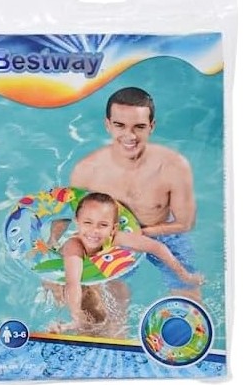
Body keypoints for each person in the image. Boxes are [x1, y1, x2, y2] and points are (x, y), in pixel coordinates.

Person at [64, 86, 202, 302]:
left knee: (189, 295)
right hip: (110, 239)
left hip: (163, 233)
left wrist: (142, 235)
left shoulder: (174, 166)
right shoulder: (86, 171)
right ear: (108, 124)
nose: (130, 136)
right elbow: (79, 220)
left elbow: (185, 223)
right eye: (120, 125)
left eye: (139, 127)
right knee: (105, 304)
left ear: (151, 126)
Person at [49, 192, 203, 334]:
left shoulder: (115, 237)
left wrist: (184, 275)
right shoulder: (73, 246)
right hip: (68, 267)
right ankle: (53, 239)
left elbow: (157, 247)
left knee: (116, 299)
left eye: (103, 225)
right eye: (87, 223)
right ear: (77, 223)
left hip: (100, 260)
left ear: (113, 228)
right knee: (82, 305)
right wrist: (76, 318)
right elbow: (72, 283)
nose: (94, 231)